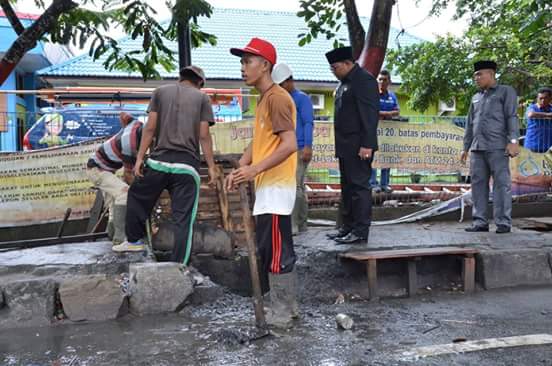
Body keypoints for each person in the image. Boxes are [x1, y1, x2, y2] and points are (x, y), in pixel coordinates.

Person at [225, 37, 298, 328]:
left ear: (265, 65)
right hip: (268, 188)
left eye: (247, 62)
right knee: (272, 249)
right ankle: (287, 308)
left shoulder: (278, 98)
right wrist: (242, 164)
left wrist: (253, 170)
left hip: (277, 188)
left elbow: (289, 144)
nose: (243, 68)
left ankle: (282, 310)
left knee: (278, 251)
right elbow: (260, 142)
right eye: (242, 62)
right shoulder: (264, 99)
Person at [114, 65, 217, 265]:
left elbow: (150, 128)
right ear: (200, 83)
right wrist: (211, 167)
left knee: (137, 195)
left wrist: (139, 159)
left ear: (181, 78)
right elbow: (204, 135)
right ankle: (179, 266)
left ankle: (134, 240)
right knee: (183, 220)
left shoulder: (160, 92)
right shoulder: (202, 98)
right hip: (186, 168)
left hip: (158, 162)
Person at [324, 46, 379, 244]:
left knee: (359, 188)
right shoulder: (345, 83)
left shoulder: (364, 80)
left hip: (359, 145)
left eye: (335, 68)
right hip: (345, 146)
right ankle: (347, 227)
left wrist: (367, 144)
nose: (334, 72)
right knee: (347, 188)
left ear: (348, 63)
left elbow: (369, 114)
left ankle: (360, 231)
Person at [461, 60, 520, 234]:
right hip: (478, 148)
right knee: (478, 185)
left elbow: (512, 117)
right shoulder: (475, 97)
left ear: (491, 74)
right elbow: (470, 124)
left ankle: (503, 222)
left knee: (501, 184)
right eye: (474, 76)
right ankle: (480, 222)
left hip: (498, 147)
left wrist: (514, 141)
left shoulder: (505, 92)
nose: (476, 79)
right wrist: (465, 147)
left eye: (479, 75)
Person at [86, 112, 142, 247]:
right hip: (97, 170)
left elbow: (123, 115)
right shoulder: (129, 143)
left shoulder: (137, 124)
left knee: (113, 206)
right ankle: (120, 240)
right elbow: (129, 175)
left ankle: (111, 237)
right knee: (125, 194)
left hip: (107, 169)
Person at [271, 63, 314, 234]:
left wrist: (307, 146)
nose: (281, 88)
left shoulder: (302, 99)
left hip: (299, 148)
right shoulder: (280, 99)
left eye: (282, 84)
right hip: (285, 149)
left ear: (290, 81)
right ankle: (302, 223)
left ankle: (294, 224)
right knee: (297, 187)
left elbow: (308, 123)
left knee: (294, 186)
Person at [370, 69, 400, 193]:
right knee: (373, 157)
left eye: (385, 79)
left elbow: (397, 112)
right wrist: (387, 114)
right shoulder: (372, 94)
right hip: (373, 132)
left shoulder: (392, 96)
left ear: (389, 82)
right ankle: (372, 183)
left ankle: (385, 184)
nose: (382, 82)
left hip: (388, 134)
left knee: (387, 157)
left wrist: (383, 114)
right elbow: (371, 111)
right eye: (380, 79)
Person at [524, 87, 552, 153]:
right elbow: (530, 114)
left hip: (549, 145)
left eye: (545, 98)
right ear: (537, 98)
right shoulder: (532, 107)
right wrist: (548, 115)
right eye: (540, 98)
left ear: (550, 98)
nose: (543, 100)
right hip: (534, 144)